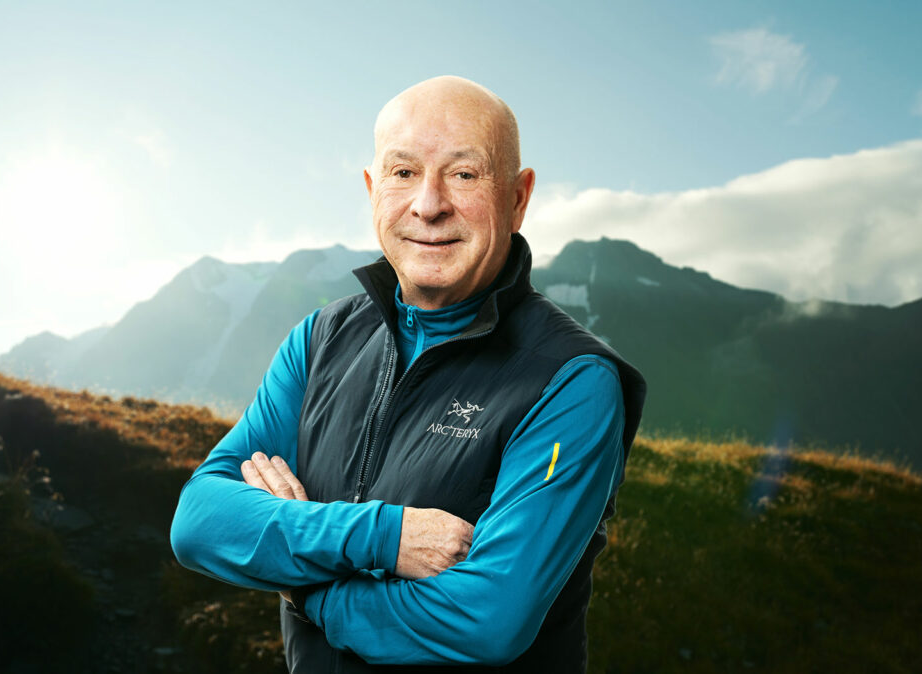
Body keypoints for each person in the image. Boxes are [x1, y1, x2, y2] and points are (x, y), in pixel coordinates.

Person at [170, 75, 646, 672]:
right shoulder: (317, 343)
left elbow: (487, 620)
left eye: (464, 174)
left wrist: (303, 584)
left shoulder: (573, 381)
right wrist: (385, 537)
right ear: (373, 190)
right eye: (402, 173)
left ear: (518, 198)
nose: (428, 204)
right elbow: (198, 522)